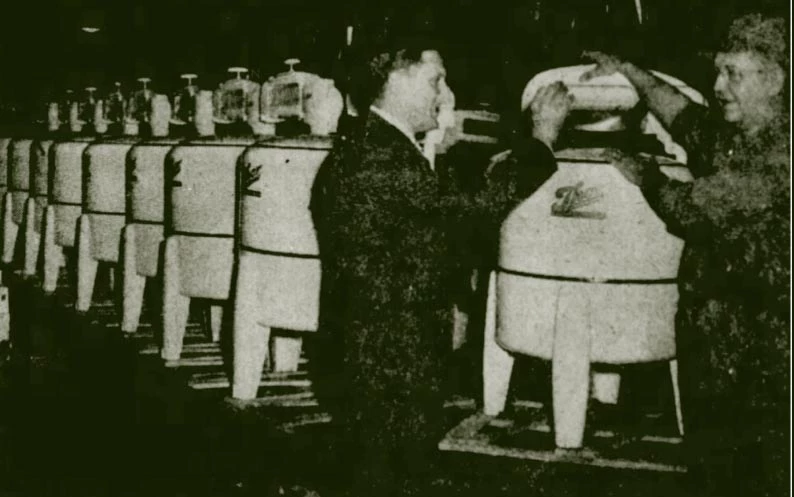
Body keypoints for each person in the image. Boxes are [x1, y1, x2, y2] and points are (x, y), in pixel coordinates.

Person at [309, 36, 570, 497]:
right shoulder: (384, 157)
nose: (445, 94)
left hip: (371, 355)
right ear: (395, 78)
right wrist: (541, 142)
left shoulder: (369, 148)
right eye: (435, 80)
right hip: (393, 364)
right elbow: (468, 216)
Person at [582, 13, 789, 497]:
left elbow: (693, 208)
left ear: (775, 79)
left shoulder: (782, 153)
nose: (718, 86)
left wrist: (644, 175)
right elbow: (687, 119)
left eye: (733, 74)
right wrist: (629, 70)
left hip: (766, 351)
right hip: (718, 339)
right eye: (719, 71)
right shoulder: (742, 135)